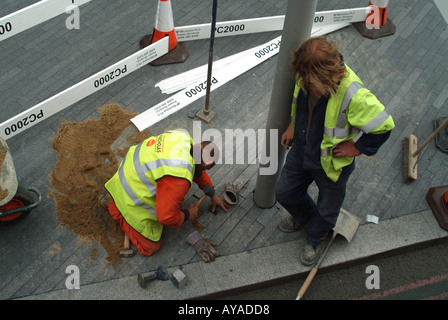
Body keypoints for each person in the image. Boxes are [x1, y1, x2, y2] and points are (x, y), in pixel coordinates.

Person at [275, 36, 394, 266]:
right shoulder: (306, 72)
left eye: (309, 80)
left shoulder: (354, 95)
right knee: (285, 193)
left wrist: (357, 148)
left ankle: (314, 238)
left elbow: (384, 126)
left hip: (331, 163)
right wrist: (292, 125)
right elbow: (299, 103)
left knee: (328, 207)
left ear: (322, 75)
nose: (304, 83)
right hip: (302, 150)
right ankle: (307, 219)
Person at [100, 129, 229, 259]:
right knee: (151, 247)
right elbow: (166, 217)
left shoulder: (183, 138)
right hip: (129, 194)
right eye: (205, 168)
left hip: (128, 171)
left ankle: (115, 192)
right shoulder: (179, 177)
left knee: (172, 200)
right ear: (205, 163)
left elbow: (198, 171)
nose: (202, 171)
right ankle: (114, 206)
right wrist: (187, 215)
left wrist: (212, 194)